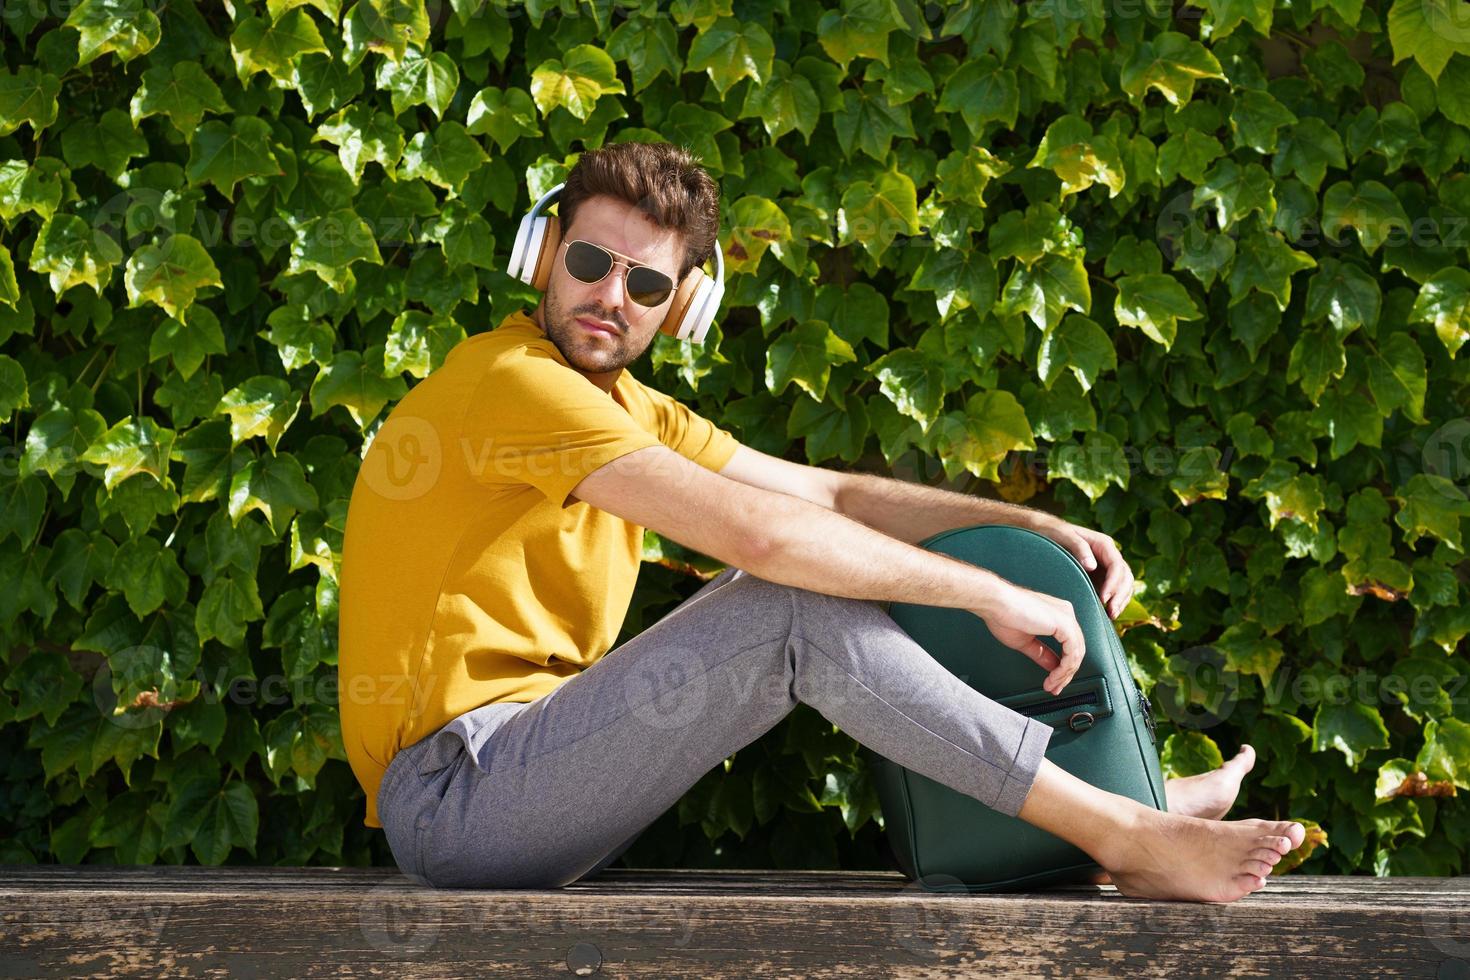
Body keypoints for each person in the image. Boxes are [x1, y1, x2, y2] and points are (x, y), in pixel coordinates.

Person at [338, 141, 1305, 904]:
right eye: (590, 261)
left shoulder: (631, 408)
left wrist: (1022, 523)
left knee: (797, 590)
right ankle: (1123, 832)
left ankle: (1110, 807)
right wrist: (985, 592)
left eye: (645, 282)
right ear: (542, 254)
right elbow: (766, 541)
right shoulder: (514, 386)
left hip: (529, 764)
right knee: (787, 605)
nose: (608, 295)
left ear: (683, 307)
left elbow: (828, 498)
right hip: (459, 798)